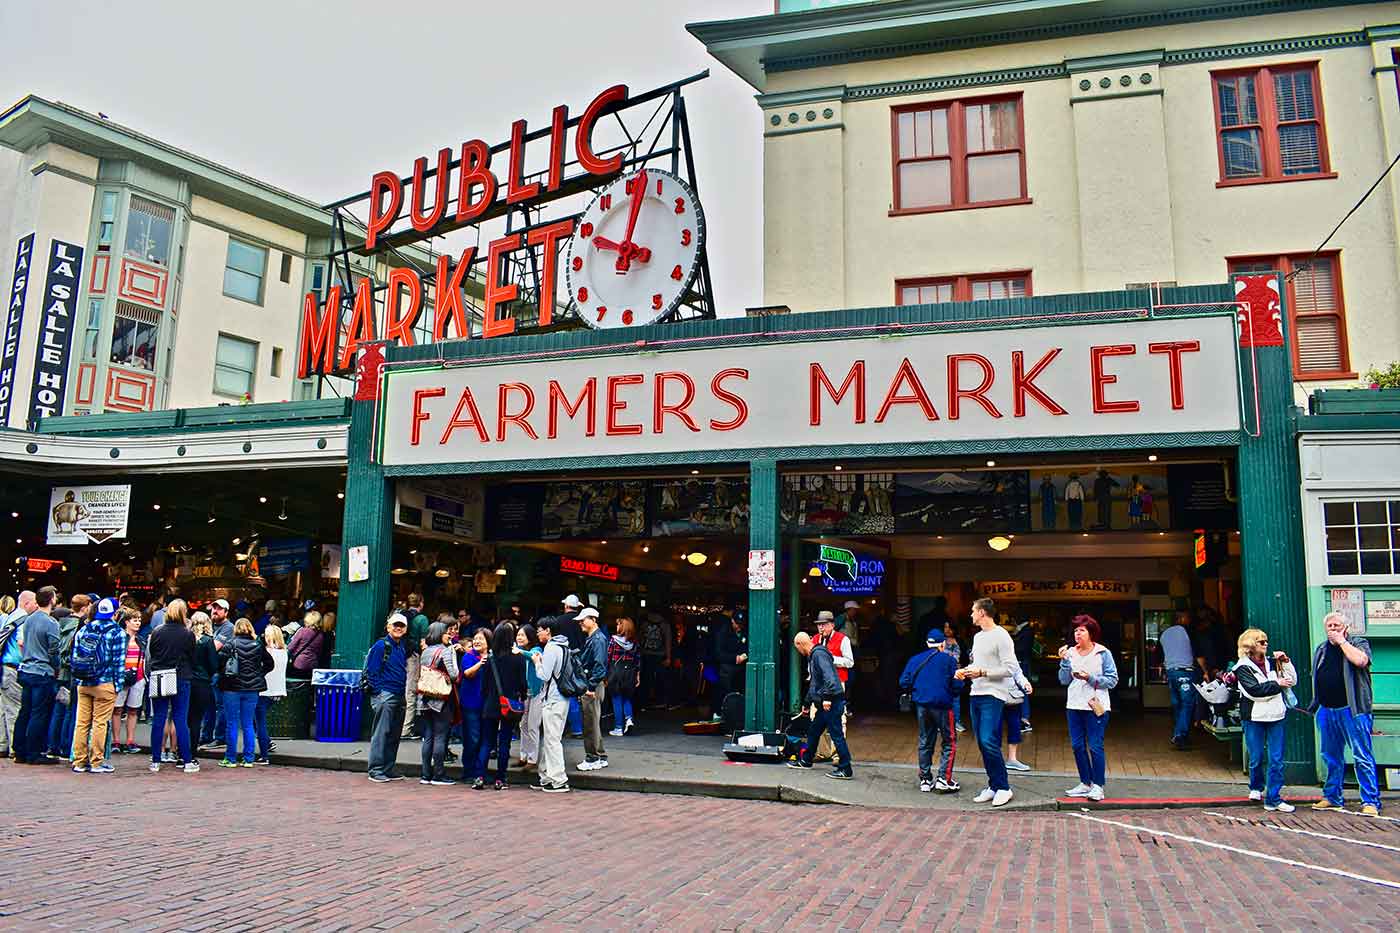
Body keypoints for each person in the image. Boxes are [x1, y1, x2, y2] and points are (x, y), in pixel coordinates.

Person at [1309, 611, 1381, 816]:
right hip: (1326, 709)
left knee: (1362, 755)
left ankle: (1370, 801)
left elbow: (1361, 661)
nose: (1332, 630)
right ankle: (1332, 796)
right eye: (1329, 626)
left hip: (1353, 709)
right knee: (1330, 755)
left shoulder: (1358, 643)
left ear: (1346, 628)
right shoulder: (1321, 649)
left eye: (1337, 626)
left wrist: (1342, 642)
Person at [955, 597, 1017, 807]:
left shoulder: (1002, 636)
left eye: (973, 610)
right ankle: (994, 785)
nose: (971, 614)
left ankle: (1004, 788)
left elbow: (1010, 668)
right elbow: (979, 664)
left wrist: (982, 672)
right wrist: (967, 671)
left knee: (988, 740)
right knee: (983, 742)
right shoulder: (979, 637)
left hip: (994, 694)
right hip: (976, 693)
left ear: (982, 612)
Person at [1234, 628, 1297, 812]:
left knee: (1276, 758)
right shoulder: (1242, 668)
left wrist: (1286, 662)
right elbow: (1254, 692)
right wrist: (1276, 685)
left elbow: (1291, 681)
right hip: (1254, 717)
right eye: (1261, 642)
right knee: (1256, 757)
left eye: (1266, 641)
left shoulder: (1273, 663)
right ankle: (1256, 786)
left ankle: (1273, 798)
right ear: (1251, 645)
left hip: (1276, 716)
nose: (1266, 644)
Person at [1058, 614, 1119, 802]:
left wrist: (1089, 678)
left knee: (1095, 746)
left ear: (1091, 633)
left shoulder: (1102, 653)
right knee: (1077, 746)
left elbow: (1113, 680)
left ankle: (1098, 786)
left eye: (1082, 630)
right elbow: (1063, 679)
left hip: (1095, 706)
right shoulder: (1070, 653)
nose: (1077, 634)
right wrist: (1065, 662)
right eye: (1075, 630)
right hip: (1074, 705)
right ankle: (1085, 783)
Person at [899, 628, 959, 792]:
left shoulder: (914, 659)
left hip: (922, 706)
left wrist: (919, 690)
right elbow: (958, 685)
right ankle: (943, 779)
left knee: (925, 741)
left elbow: (903, 682)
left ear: (927, 643)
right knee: (949, 742)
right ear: (943, 644)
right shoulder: (950, 661)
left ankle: (925, 780)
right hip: (943, 706)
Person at [69, 597, 125, 774]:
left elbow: (76, 654)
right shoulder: (117, 632)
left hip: (83, 681)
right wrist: (118, 685)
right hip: (105, 682)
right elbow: (119, 662)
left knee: (82, 723)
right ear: (114, 613)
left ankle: (79, 761)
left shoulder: (84, 629)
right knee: (100, 723)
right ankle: (96, 762)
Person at [787, 632, 852, 779]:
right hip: (825, 703)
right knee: (814, 730)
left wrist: (827, 698)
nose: (798, 651)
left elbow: (829, 677)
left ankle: (846, 768)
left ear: (799, 644)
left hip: (830, 702)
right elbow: (815, 684)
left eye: (797, 648)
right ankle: (807, 760)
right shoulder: (816, 655)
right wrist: (806, 703)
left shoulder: (818, 655)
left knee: (836, 735)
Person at [147, 598, 198, 773]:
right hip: (181, 676)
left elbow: (152, 654)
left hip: (160, 675)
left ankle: (155, 760)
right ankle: (187, 760)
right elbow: (193, 658)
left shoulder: (157, 632)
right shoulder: (187, 634)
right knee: (180, 719)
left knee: (159, 719)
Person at [217, 618, 273, 768]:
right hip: (252, 689)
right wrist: (258, 674)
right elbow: (270, 663)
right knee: (248, 723)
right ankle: (248, 758)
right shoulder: (258, 645)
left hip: (232, 687)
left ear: (236, 629)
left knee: (232, 723)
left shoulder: (230, 644)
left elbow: (218, 663)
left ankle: (230, 758)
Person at [480, 621, 526, 790]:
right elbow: (523, 684)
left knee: (487, 741)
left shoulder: (490, 659)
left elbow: (484, 686)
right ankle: (500, 778)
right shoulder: (518, 659)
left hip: (491, 703)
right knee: (504, 742)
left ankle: (480, 776)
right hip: (509, 704)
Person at [364, 613, 410, 783]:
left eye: (401, 625)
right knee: (382, 733)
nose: (398, 628)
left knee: (393, 734)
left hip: (397, 694)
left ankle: (387, 768)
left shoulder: (401, 646)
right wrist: (379, 693)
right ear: (388, 626)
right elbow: (371, 671)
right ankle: (376, 769)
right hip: (386, 694)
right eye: (395, 625)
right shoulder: (380, 645)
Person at [417, 620, 461, 786]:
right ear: (439, 634)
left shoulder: (426, 651)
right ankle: (439, 774)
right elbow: (454, 674)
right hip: (441, 698)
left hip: (425, 697)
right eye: (446, 632)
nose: (448, 635)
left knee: (428, 736)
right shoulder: (446, 651)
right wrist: (453, 654)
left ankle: (425, 773)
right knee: (441, 736)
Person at [531, 617, 571, 792]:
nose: (538, 633)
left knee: (552, 740)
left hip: (553, 699)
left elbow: (544, 675)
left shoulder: (551, 648)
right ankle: (546, 776)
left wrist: (537, 662)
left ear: (548, 630)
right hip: (562, 698)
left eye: (539, 629)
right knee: (551, 739)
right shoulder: (564, 646)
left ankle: (559, 779)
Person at [813, 610, 854, 759]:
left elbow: (850, 662)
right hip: (818, 686)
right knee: (815, 718)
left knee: (838, 720)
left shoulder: (843, 639)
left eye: (824, 625)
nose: (821, 628)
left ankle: (838, 755)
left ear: (832, 625)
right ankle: (822, 752)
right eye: (819, 625)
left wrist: (830, 660)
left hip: (837, 684)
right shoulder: (815, 639)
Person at [1160, 610, 1204, 750]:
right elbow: (1197, 653)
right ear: (1181, 618)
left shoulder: (1164, 634)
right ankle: (1179, 734)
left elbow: (1160, 654)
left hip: (1171, 672)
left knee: (1177, 704)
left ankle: (1183, 737)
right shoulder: (1188, 631)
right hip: (1185, 672)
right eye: (1187, 617)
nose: (1189, 619)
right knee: (1188, 703)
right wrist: (1205, 671)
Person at [1, 590, 37, 759]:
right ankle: (16, 748)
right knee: (16, 709)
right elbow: (21, 642)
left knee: (4, 709)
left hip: (3, 667)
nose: (36, 606)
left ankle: (3, 745)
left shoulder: (8, 618)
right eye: (35, 603)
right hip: (14, 668)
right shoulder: (24, 620)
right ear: (27, 603)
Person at [575, 607, 610, 771]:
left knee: (590, 722)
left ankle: (593, 757)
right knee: (593, 721)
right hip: (593, 684)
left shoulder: (597, 640)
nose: (580, 623)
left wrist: (589, 686)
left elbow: (599, 666)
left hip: (592, 685)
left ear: (593, 620)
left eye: (583, 620)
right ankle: (599, 756)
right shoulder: (596, 638)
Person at [110, 609, 146, 754]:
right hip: (121, 677)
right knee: (117, 709)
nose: (137, 623)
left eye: (139, 620)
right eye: (134, 620)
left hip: (138, 677)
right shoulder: (119, 637)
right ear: (126, 622)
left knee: (133, 709)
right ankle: (116, 741)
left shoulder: (141, 640)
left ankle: (130, 740)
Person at [457, 629, 490, 788]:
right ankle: (469, 771)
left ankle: (480, 771)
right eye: (475, 639)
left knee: (485, 738)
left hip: (487, 704)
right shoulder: (468, 656)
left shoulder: (492, 657)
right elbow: (467, 673)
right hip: (470, 703)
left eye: (481, 639)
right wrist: (480, 663)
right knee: (472, 738)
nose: (477, 641)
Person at [254, 624, 288, 765]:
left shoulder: (266, 652)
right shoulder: (284, 652)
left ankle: (264, 755)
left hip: (264, 691)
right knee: (257, 720)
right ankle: (267, 743)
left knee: (259, 721)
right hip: (278, 690)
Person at [188, 611, 219, 749]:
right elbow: (214, 665)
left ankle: (179, 751)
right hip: (202, 681)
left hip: (186, 680)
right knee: (196, 719)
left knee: (184, 718)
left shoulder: (186, 639)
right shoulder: (207, 641)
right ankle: (191, 753)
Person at [401, 593, 430, 740]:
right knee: (411, 692)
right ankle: (406, 729)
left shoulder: (401, 615)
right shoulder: (422, 619)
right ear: (421, 603)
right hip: (413, 657)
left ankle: (399, 726)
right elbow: (424, 643)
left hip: (400, 656)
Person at [710, 610, 747, 723]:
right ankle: (719, 714)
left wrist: (745, 655)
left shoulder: (746, 632)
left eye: (741, 624)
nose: (739, 626)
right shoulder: (723, 632)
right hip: (727, 667)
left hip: (742, 668)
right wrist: (734, 658)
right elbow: (718, 653)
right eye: (737, 623)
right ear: (732, 621)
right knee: (724, 689)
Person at [607, 617, 640, 737]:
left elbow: (608, 657)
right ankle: (629, 719)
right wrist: (637, 675)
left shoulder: (613, 641)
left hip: (616, 673)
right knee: (627, 698)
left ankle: (618, 727)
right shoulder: (635, 643)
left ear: (622, 627)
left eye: (618, 625)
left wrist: (606, 675)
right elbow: (637, 660)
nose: (616, 627)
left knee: (616, 699)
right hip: (630, 673)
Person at [517, 624, 542, 771]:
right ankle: (523, 756)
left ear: (530, 637)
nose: (519, 637)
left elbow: (533, 657)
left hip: (537, 693)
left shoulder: (536, 650)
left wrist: (517, 651)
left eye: (522, 635)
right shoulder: (518, 651)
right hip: (524, 693)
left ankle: (532, 759)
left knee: (533, 725)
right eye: (518, 635)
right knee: (523, 725)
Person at [637, 610, 672, 710]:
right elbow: (668, 641)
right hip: (659, 654)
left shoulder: (645, 623)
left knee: (646, 678)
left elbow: (640, 639)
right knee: (660, 678)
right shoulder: (664, 624)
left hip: (646, 653)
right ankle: (660, 700)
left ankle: (644, 701)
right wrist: (668, 657)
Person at [285, 611, 324, 681]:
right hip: (313, 665)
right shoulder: (320, 635)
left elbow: (290, 647)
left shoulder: (302, 631)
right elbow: (319, 651)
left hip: (299, 664)